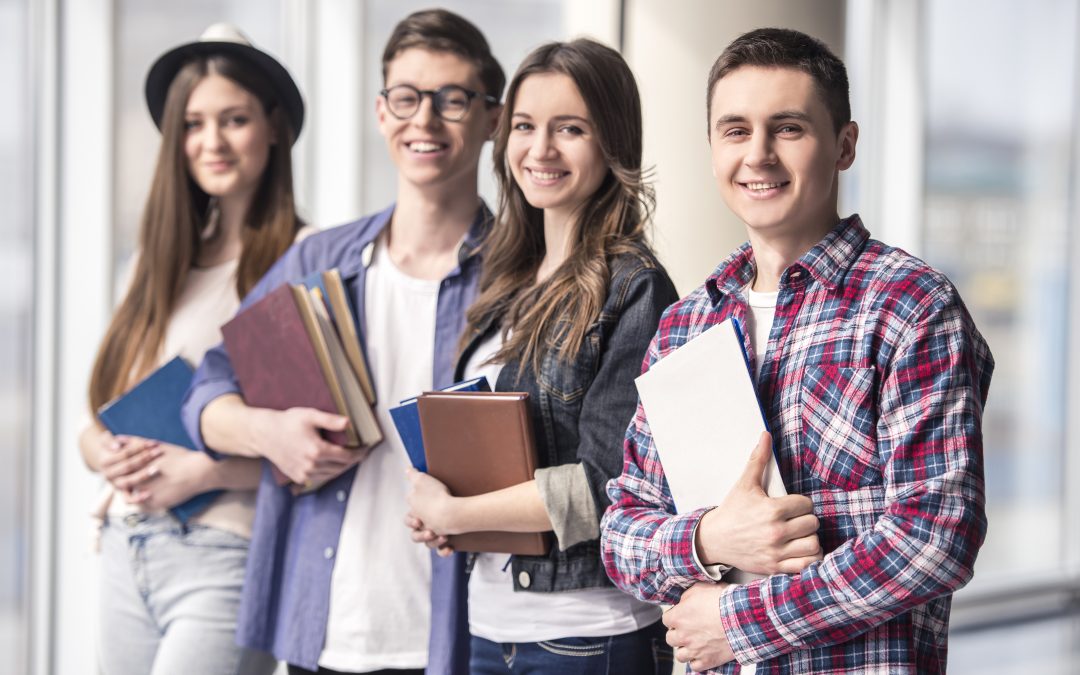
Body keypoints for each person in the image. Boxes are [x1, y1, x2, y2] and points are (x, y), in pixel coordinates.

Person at [600, 27, 994, 674]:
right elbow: (622, 534)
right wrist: (706, 538)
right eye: (735, 130)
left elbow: (934, 536)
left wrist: (741, 621)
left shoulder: (910, 307)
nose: (758, 155)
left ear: (844, 145)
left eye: (787, 128)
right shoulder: (683, 326)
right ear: (711, 147)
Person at [180, 9, 504, 675]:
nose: (426, 120)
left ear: (493, 119)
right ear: (382, 113)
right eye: (407, 98)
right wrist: (269, 432)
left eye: (452, 99)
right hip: (321, 632)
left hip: (463, 636)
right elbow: (207, 388)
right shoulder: (319, 262)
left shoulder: (520, 276)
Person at [403, 38, 679, 675]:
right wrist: (442, 508)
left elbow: (606, 486)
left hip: (586, 633)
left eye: (570, 129)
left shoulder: (634, 285)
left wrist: (458, 511)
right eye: (525, 126)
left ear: (613, 143)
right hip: (488, 622)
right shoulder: (504, 275)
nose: (541, 149)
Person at [79, 23, 308, 675]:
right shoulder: (155, 263)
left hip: (226, 552)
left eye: (233, 119)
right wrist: (102, 450)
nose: (211, 142)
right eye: (194, 123)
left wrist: (205, 470)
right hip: (126, 546)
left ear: (272, 127)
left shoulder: (301, 260)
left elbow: (320, 449)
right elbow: (95, 418)